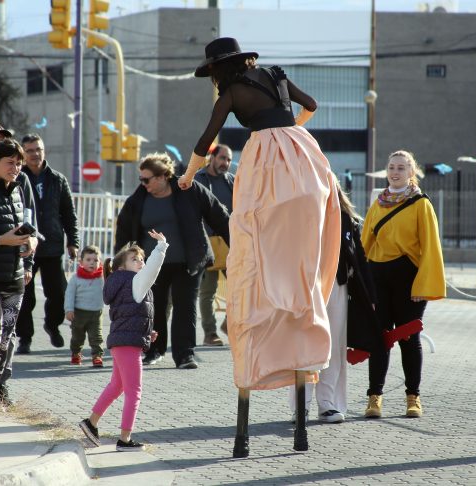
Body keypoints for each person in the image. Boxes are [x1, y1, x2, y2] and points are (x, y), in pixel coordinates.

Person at [179, 37, 340, 456]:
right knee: (300, 260)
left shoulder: (231, 91)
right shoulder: (275, 75)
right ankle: (297, 309)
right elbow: (313, 105)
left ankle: (268, 308)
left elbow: (206, 139)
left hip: (268, 165)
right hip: (305, 160)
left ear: (219, 70)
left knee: (254, 243)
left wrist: (188, 175)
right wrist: (292, 133)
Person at [115, 152, 229, 369]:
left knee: (185, 306)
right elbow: (123, 231)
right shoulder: (138, 200)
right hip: (152, 265)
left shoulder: (189, 189)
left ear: (163, 176)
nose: (143, 183)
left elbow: (219, 215)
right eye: (141, 179)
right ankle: (154, 350)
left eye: (146, 179)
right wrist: (120, 262)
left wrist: (239, 244)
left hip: (188, 261)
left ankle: (185, 355)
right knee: (154, 307)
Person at [361, 150, 446, 419]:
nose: (395, 172)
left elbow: (431, 247)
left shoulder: (421, 204)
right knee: (380, 339)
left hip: (409, 281)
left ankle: (413, 397)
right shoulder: (378, 203)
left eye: (401, 168)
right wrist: (361, 283)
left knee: (409, 339)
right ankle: (374, 397)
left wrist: (424, 285)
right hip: (378, 278)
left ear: (411, 172)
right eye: (391, 167)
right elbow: (365, 244)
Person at [289, 182, 381, 424]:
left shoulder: (345, 218)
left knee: (333, 348)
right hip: (307, 289)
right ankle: (301, 405)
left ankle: (328, 404)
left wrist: (370, 296)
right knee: (306, 347)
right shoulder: (302, 215)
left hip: (338, 288)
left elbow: (359, 257)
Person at [79, 231, 167, 452]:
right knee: (134, 391)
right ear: (121, 267)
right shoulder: (135, 281)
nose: (140, 263)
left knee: (117, 385)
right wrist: (161, 246)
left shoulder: (121, 282)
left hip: (122, 342)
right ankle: (125, 440)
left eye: (141, 259)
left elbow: (130, 315)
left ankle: (91, 423)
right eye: (134, 259)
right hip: (127, 344)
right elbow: (153, 269)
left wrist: (147, 333)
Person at [16, 133, 79, 353]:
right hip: (24, 246)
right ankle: (25, 338)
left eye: (38, 149)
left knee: (58, 293)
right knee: (26, 295)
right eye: (30, 150)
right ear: (23, 153)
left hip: (51, 246)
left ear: (44, 151)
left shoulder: (57, 179)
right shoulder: (17, 177)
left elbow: (69, 213)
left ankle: (52, 325)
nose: (35, 154)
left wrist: (73, 241)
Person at [0, 139, 36, 405]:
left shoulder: (19, 190)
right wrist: (0, 240)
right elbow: (1, 235)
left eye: (18, 164)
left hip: (14, 279)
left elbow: (30, 227)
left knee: (4, 343)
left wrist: (31, 242)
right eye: (10, 163)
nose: (15, 168)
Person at [0, 122, 39, 293]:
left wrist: (29, 262)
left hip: (14, 274)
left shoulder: (21, 179)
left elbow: (29, 221)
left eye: (2, 141)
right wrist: (1, 240)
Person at [194, 143, 234, 346]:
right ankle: (210, 333)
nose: (225, 163)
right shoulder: (198, 180)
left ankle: (229, 324)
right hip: (207, 243)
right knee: (207, 291)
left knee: (239, 289)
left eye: (228, 160)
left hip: (230, 245)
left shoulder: (232, 181)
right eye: (222, 158)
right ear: (212, 157)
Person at [65, 245, 105, 367]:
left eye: (95, 260)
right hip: (78, 313)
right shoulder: (76, 278)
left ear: (100, 262)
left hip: (96, 313)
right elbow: (69, 295)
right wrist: (69, 309)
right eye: (88, 260)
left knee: (96, 336)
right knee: (77, 336)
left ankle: (97, 356)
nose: (92, 263)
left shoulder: (103, 278)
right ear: (81, 262)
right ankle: (76, 353)